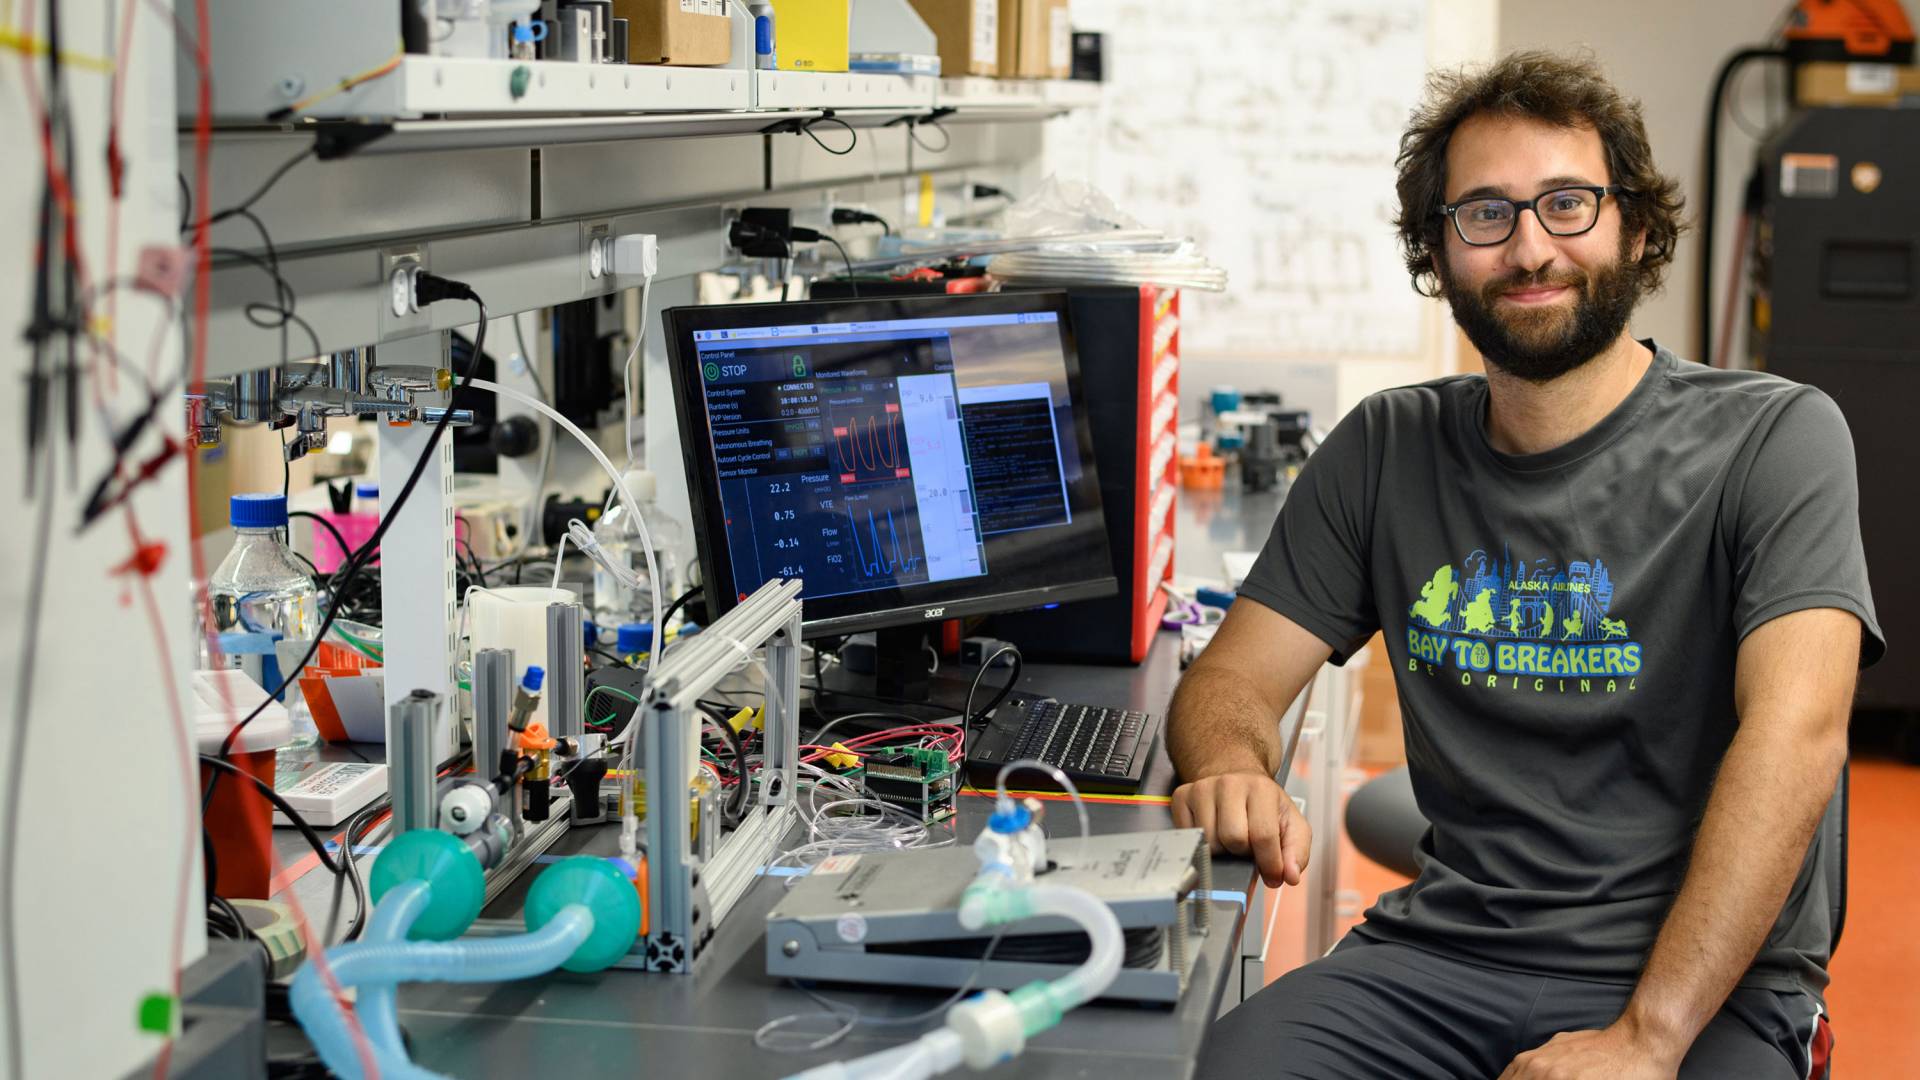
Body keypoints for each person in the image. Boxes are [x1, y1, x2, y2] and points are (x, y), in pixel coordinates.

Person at [1178, 51, 1882, 1080]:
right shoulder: (1385, 448)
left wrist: (1646, 1040)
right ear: (1438, 250)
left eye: (1567, 203)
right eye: (1485, 214)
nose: (1529, 247)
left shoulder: (1776, 439)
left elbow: (1798, 737)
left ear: (1635, 228)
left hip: (1704, 987)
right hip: (1443, 959)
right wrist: (1231, 765)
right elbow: (1231, 679)